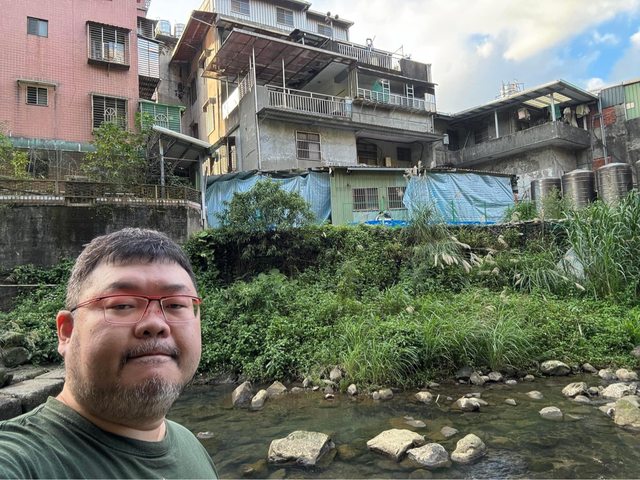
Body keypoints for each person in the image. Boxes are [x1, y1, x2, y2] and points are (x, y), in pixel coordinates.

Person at [0, 228, 218, 479]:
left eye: (176, 304)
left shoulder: (191, 447)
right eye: (122, 305)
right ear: (67, 332)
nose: (155, 323)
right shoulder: (21, 461)